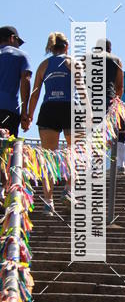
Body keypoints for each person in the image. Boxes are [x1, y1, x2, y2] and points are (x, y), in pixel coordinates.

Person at [27, 32, 74, 210]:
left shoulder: (43, 65)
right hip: (69, 108)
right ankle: (68, 190)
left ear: (52, 47)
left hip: (48, 110)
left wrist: (29, 116)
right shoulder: (72, 63)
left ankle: (48, 202)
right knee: (72, 154)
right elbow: (83, 90)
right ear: (66, 46)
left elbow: (35, 93)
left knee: (48, 158)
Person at [0, 25, 31, 137]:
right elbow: (25, 81)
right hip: (8, 110)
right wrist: (24, 112)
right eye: (18, 42)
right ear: (12, 38)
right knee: (6, 151)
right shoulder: (20, 55)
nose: (18, 46)